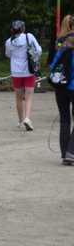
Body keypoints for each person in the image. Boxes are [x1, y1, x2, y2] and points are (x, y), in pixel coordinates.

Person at [5, 20, 42, 131]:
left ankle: (21, 121)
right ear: (23, 28)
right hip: (29, 71)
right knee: (29, 96)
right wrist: (34, 57)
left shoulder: (8, 42)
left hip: (16, 72)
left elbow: (8, 55)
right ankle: (27, 118)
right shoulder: (29, 37)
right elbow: (39, 50)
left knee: (18, 97)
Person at [50, 26, 74, 165]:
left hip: (60, 88)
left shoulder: (61, 50)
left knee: (64, 120)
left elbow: (53, 66)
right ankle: (71, 152)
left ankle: (65, 153)